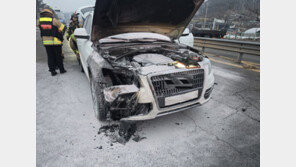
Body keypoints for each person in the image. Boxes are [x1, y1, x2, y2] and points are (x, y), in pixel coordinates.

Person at [38, 8, 67, 76]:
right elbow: (62, 28)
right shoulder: (54, 20)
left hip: (46, 42)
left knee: (50, 56)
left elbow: (38, 26)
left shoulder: (39, 21)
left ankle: (52, 71)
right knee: (58, 56)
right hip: (56, 42)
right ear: (50, 13)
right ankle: (61, 69)